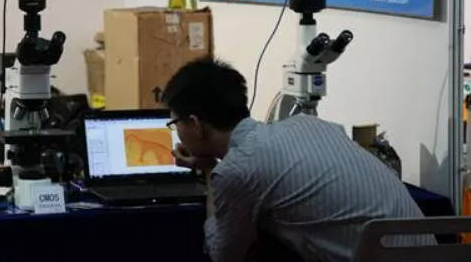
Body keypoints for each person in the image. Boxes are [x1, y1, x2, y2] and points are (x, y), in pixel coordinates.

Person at [163, 58, 432, 262]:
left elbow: (224, 254)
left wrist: (210, 170)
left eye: (175, 123)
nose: (176, 132)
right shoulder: (310, 124)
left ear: (196, 125)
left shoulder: (237, 170)